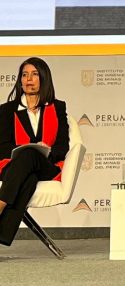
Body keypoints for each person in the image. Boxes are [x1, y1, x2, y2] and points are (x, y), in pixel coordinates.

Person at [0, 56, 69, 247]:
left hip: (46, 166)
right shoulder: (7, 110)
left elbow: (63, 146)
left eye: (34, 74)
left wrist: (46, 150)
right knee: (27, 177)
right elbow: (3, 147)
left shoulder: (57, 107)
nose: (28, 79)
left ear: (44, 78)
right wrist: (22, 151)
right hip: (13, 166)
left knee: (31, 155)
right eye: (24, 75)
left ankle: (0, 203)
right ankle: (2, 236)